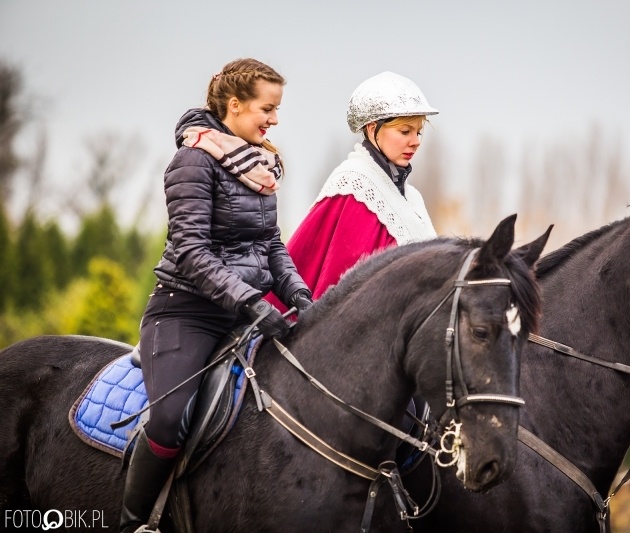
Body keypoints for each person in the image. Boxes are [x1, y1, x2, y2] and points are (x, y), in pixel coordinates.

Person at [120, 58, 312, 533]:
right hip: (185, 313)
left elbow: (270, 245)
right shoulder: (192, 162)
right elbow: (191, 252)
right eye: (267, 108)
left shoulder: (260, 164)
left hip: (242, 314)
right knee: (169, 420)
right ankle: (134, 521)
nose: (275, 119)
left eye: (278, 109)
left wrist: (301, 296)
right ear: (235, 105)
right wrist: (251, 302)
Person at [274, 71, 439, 301]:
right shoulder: (354, 183)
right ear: (372, 129)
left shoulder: (412, 197)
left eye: (418, 132)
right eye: (405, 131)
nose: (416, 141)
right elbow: (343, 287)